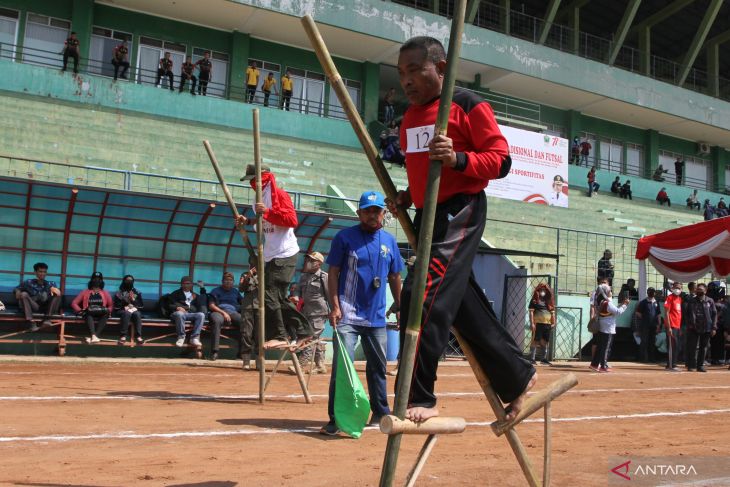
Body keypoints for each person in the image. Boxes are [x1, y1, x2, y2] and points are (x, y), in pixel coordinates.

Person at [391, 36, 536, 423]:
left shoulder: (466, 104)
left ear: (440, 68)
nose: (406, 81)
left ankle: (418, 395)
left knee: (422, 296)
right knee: (461, 307)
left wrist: (457, 158)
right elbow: (422, 170)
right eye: (401, 73)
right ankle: (517, 376)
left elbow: (501, 162)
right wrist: (407, 196)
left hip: (460, 211)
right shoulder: (408, 120)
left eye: (414, 71)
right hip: (427, 215)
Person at [319, 191, 402, 435]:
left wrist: (399, 305)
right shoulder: (344, 237)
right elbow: (333, 273)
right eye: (367, 211)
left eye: (377, 210)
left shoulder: (389, 241)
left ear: (383, 214)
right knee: (342, 368)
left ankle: (380, 412)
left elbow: (395, 276)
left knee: (378, 366)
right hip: (348, 316)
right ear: (359, 213)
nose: (372, 215)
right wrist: (335, 306)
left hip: (376, 317)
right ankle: (336, 419)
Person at [235, 165, 312, 350]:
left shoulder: (280, 195)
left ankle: (282, 335)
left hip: (284, 253)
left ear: (263, 178)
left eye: (255, 180)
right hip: (271, 255)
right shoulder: (257, 200)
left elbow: (291, 221)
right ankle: (301, 331)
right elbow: (264, 224)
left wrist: (267, 212)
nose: (252, 184)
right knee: (275, 297)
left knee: (270, 295)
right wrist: (249, 221)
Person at [294, 252, 330, 374]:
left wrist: (334, 311)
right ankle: (320, 365)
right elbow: (297, 290)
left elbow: (330, 295)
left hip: (319, 313)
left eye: (312, 260)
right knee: (316, 339)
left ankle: (301, 365)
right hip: (306, 312)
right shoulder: (303, 276)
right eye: (308, 259)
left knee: (310, 338)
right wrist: (296, 296)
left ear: (319, 263)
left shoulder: (324, 277)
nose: (309, 262)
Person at [590, 283, 628, 372]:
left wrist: (622, 304)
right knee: (605, 347)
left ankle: (594, 364)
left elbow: (613, 310)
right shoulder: (607, 303)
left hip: (602, 325)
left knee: (600, 346)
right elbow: (618, 312)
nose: (610, 292)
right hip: (608, 327)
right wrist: (625, 305)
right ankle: (603, 366)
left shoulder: (599, 301)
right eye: (609, 290)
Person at [14, 262, 61, 331]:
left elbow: (58, 294)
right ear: (35, 272)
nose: (43, 274)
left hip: (47, 308)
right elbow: (17, 288)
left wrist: (55, 290)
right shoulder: (28, 282)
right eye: (40, 271)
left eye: (44, 272)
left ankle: (47, 320)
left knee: (56, 295)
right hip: (34, 306)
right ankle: (30, 322)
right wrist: (17, 291)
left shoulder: (51, 283)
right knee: (24, 294)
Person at [207, 272, 244, 361]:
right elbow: (211, 305)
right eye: (226, 280)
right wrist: (223, 313)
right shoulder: (216, 291)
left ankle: (241, 353)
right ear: (222, 281)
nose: (228, 282)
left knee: (244, 322)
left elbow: (243, 303)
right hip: (218, 311)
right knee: (217, 321)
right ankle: (214, 352)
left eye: (231, 280)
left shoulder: (235, 291)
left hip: (233, 312)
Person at [71, 272, 113, 344]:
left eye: (99, 279)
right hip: (89, 312)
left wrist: (108, 310)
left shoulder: (105, 292)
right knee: (88, 314)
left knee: (106, 315)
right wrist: (80, 310)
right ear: (91, 280)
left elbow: (111, 305)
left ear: (101, 281)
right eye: (95, 279)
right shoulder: (85, 292)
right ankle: (94, 336)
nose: (97, 280)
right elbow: (74, 303)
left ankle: (94, 336)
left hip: (101, 312)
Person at [685, 283, 717, 372]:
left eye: (701, 290)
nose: (699, 291)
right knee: (693, 347)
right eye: (698, 290)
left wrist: (714, 327)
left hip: (706, 327)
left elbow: (714, 315)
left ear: (705, 291)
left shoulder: (710, 301)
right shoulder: (691, 301)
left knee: (704, 347)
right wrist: (689, 324)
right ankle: (691, 365)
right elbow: (687, 314)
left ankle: (700, 366)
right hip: (693, 327)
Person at [166, 276, 206, 348]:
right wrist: (177, 307)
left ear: (191, 285)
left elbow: (204, 298)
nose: (186, 285)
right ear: (181, 284)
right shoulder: (176, 293)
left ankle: (194, 338)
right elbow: (169, 305)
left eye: (188, 283)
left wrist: (202, 288)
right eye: (184, 283)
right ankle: (181, 337)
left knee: (201, 315)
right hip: (177, 314)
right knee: (180, 314)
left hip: (189, 314)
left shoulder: (195, 295)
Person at [528, 283, 556, 366]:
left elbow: (553, 313)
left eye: (544, 290)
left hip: (547, 324)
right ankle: (532, 359)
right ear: (538, 291)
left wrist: (554, 322)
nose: (543, 292)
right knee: (535, 340)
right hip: (538, 323)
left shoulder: (549, 301)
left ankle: (543, 359)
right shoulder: (534, 300)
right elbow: (531, 312)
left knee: (545, 341)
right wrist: (532, 323)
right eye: (541, 290)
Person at [113, 274, 144, 345]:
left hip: (134, 310)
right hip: (122, 311)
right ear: (124, 281)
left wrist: (134, 302)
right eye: (127, 280)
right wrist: (124, 307)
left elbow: (141, 305)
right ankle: (123, 336)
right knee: (127, 313)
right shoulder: (119, 292)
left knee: (137, 314)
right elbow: (116, 307)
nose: (129, 282)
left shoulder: (136, 292)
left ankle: (139, 336)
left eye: (131, 281)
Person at [238, 267, 258, 370]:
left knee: (259, 335)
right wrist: (248, 276)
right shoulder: (245, 274)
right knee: (246, 333)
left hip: (260, 308)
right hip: (248, 308)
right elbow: (241, 289)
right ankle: (246, 361)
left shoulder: (266, 275)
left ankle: (259, 362)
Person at [635, 287, 660, 363]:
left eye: (652, 292)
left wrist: (659, 324)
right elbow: (637, 313)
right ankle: (643, 358)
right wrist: (645, 318)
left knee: (652, 342)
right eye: (650, 291)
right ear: (647, 292)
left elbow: (658, 314)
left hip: (653, 325)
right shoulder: (643, 302)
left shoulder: (656, 302)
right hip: (645, 325)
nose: (651, 293)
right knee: (644, 342)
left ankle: (652, 358)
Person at [664, 281, 683, 371]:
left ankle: (673, 363)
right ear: (672, 288)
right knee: (672, 345)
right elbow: (666, 312)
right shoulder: (670, 298)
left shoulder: (679, 299)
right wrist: (669, 327)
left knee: (676, 345)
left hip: (678, 326)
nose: (677, 289)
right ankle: (671, 365)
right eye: (676, 287)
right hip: (671, 325)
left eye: (679, 288)